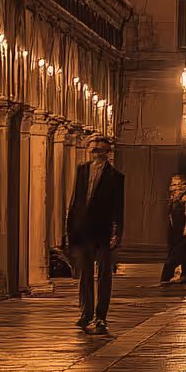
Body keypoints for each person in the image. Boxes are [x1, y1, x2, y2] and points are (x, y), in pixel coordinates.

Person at [65, 136, 124, 333]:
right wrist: (70, 229)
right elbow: (76, 201)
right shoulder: (82, 171)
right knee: (85, 274)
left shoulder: (115, 176)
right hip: (84, 229)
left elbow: (119, 208)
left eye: (100, 150)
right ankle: (86, 313)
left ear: (107, 152)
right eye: (93, 150)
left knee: (104, 274)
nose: (96, 154)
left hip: (104, 230)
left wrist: (117, 233)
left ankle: (101, 315)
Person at [158, 175, 186, 287]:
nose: (173, 186)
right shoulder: (174, 198)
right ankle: (184, 274)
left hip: (183, 232)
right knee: (180, 252)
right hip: (175, 231)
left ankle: (169, 276)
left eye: (176, 184)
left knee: (178, 253)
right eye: (173, 184)